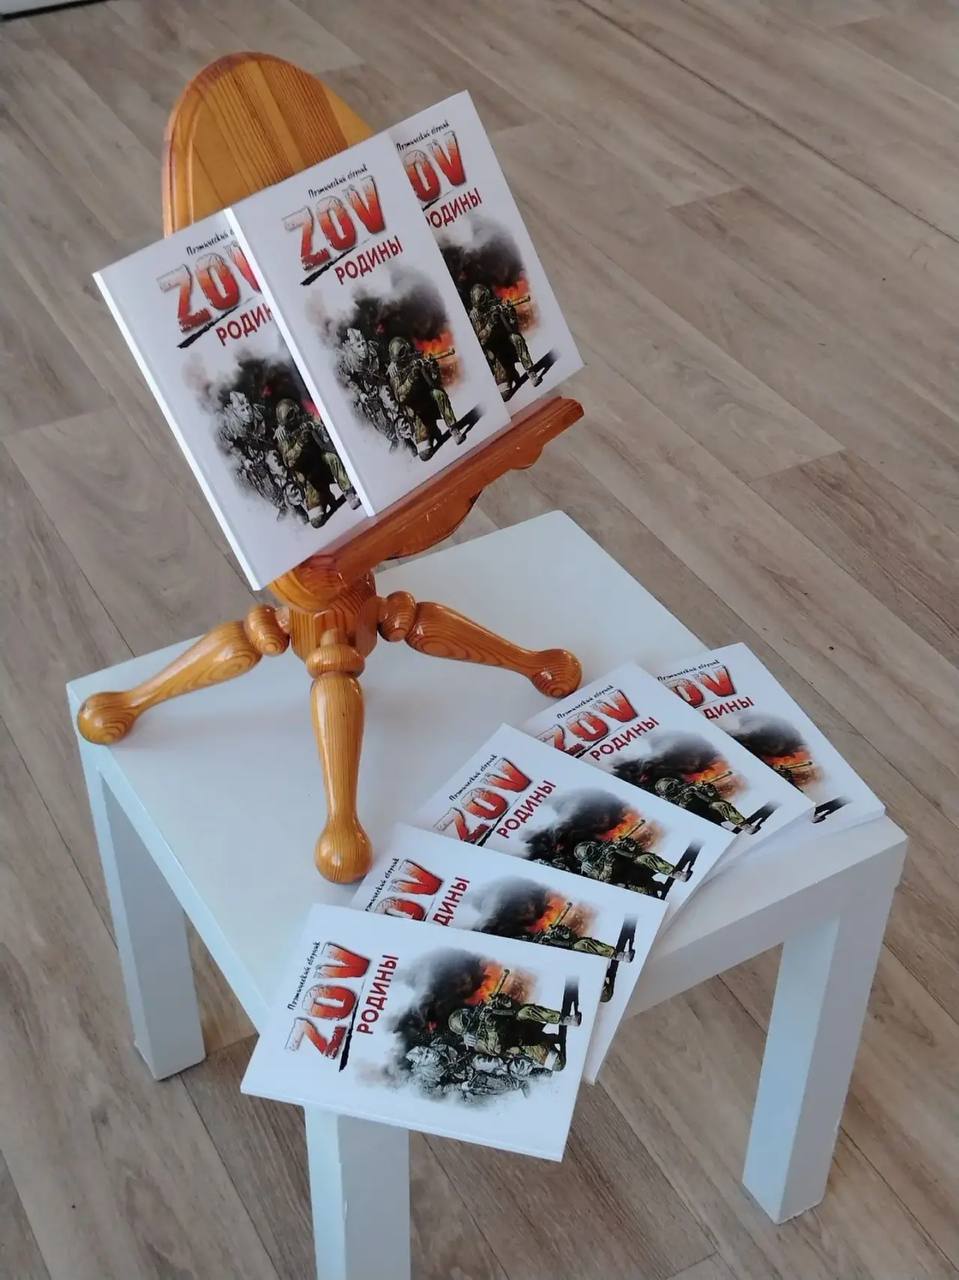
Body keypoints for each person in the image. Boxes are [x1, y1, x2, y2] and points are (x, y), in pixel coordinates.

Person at [387, 336, 463, 459]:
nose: (405, 356)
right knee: (424, 454)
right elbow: (400, 397)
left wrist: (433, 368)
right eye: (401, 354)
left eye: (405, 351)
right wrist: (411, 378)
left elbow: (434, 382)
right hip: (416, 412)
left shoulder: (417, 358)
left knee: (438, 394)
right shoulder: (395, 373)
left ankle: (453, 429)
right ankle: (432, 431)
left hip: (429, 399)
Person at [468, 283, 541, 393]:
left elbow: (513, 327)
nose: (485, 302)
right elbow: (481, 340)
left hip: (507, 342)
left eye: (485, 297)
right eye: (481, 300)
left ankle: (531, 372)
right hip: (495, 353)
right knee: (505, 394)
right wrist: (490, 324)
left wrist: (511, 314)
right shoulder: (475, 315)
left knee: (516, 338)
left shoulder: (496, 303)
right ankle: (511, 373)